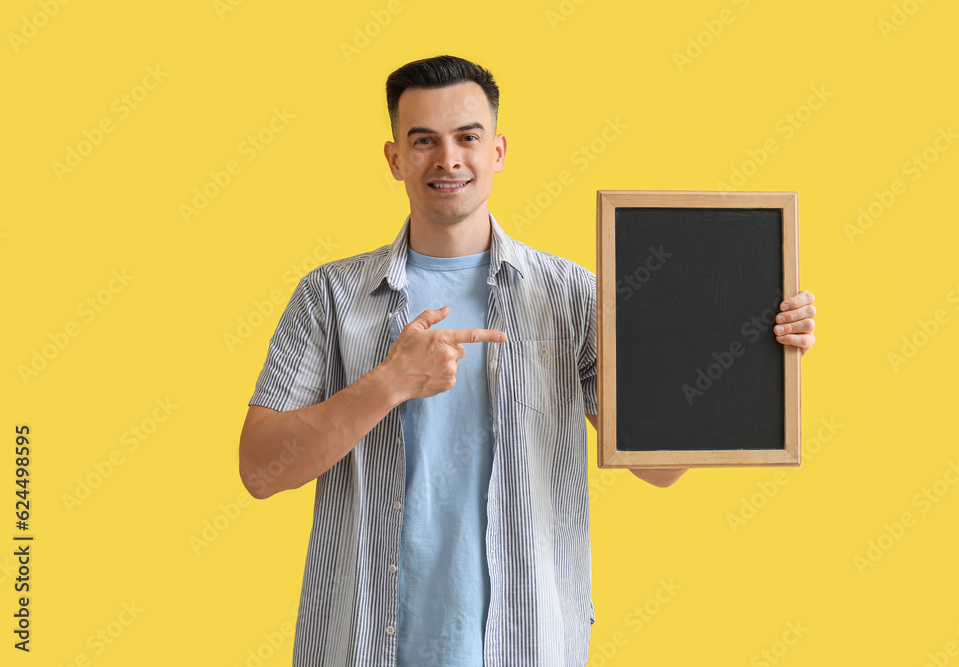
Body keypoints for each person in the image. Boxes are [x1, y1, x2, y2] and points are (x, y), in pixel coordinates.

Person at [238, 55, 817, 667]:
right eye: (423, 141)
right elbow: (260, 471)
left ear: (500, 151)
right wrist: (388, 383)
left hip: (531, 641)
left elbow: (661, 469)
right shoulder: (328, 297)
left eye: (468, 137)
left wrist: (751, 345)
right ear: (393, 159)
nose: (448, 160)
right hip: (359, 644)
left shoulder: (572, 296)